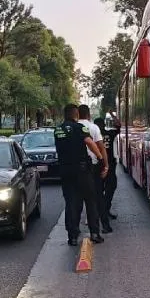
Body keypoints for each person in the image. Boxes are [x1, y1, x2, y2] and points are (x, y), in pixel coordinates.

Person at [54, 104, 104, 246]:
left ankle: (73, 237)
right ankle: (94, 233)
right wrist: (99, 157)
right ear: (76, 115)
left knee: (71, 203)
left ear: (64, 115)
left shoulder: (58, 130)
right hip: (82, 171)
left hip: (65, 171)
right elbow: (89, 142)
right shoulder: (80, 128)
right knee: (90, 200)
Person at [78, 104, 112, 234]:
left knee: (78, 199)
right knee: (98, 197)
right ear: (88, 114)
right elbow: (101, 148)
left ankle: (75, 231)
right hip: (94, 166)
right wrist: (106, 166)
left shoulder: (74, 128)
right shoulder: (93, 127)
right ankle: (104, 225)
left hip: (77, 168)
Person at [95, 114, 121, 220]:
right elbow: (119, 126)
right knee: (111, 188)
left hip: (97, 166)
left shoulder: (92, 136)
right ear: (104, 125)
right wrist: (112, 115)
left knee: (98, 190)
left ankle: (101, 211)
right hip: (109, 166)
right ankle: (105, 209)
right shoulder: (109, 133)